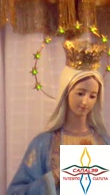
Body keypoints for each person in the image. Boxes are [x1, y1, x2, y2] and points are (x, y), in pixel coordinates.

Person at [8, 37, 110, 194]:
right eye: (80, 93)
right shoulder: (43, 144)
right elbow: (15, 192)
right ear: (66, 92)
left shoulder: (104, 142)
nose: (85, 102)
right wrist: (54, 177)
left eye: (92, 96)